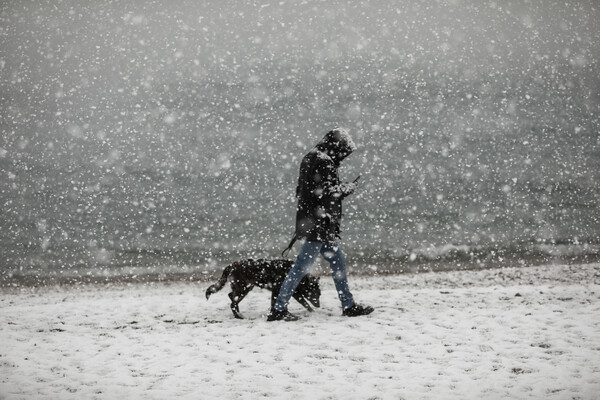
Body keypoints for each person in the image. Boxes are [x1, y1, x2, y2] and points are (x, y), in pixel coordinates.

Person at [267, 128, 374, 321]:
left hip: (310, 220)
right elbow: (329, 193)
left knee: (337, 261)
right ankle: (278, 309)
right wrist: (347, 188)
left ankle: (348, 304)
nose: (343, 156)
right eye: (343, 151)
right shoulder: (324, 162)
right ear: (337, 147)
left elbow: (307, 191)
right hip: (319, 224)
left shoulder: (310, 157)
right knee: (301, 267)